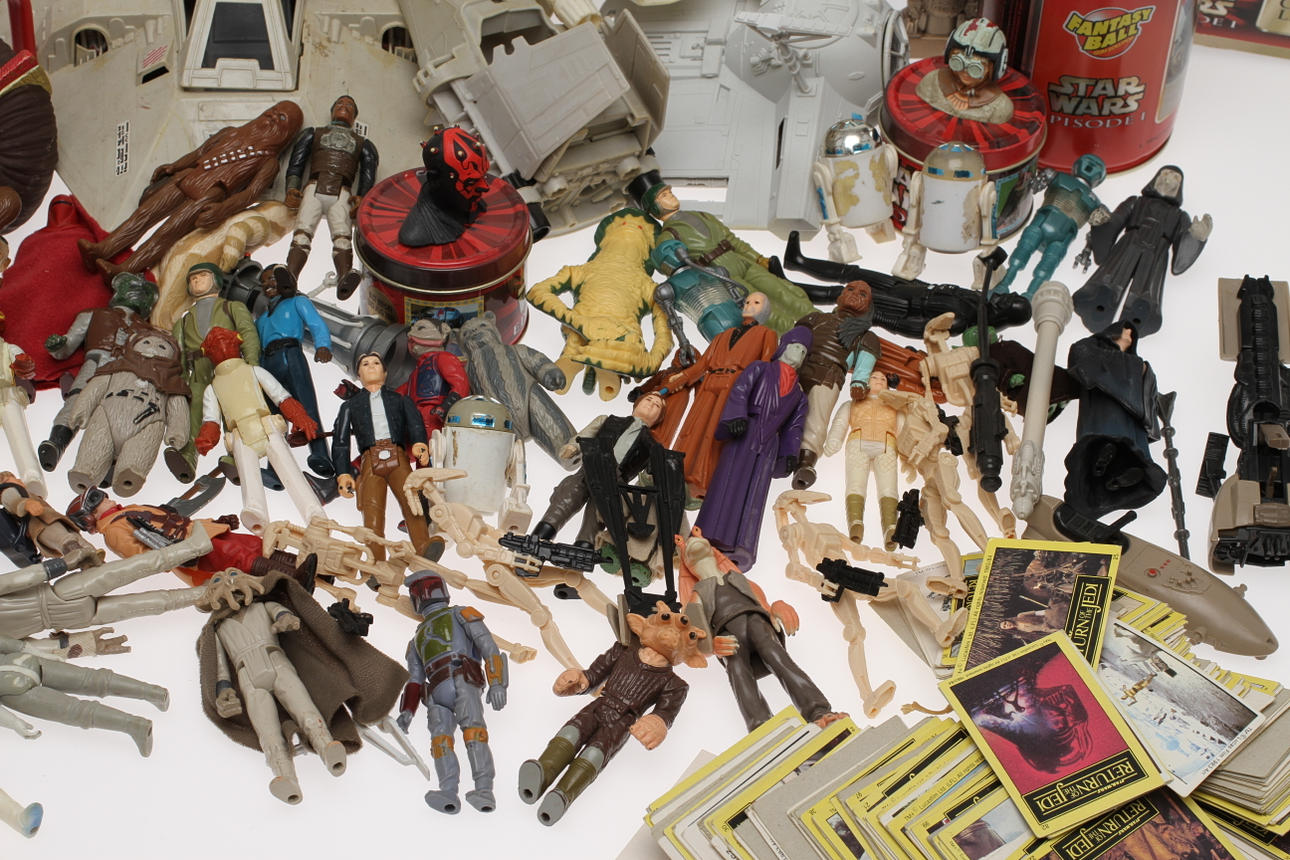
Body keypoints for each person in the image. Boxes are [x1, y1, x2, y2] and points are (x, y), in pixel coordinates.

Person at [694, 327, 812, 569]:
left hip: (770, 443)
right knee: (728, 481)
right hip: (746, 430)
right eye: (796, 347)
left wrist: (789, 453)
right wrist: (736, 416)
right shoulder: (760, 368)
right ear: (784, 347)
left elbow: (795, 427)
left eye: (803, 352)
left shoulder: (799, 395)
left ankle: (743, 546)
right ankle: (708, 535)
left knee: (756, 492)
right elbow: (740, 391)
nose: (798, 355)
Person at [660, 292, 776, 497]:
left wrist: (754, 403)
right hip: (710, 382)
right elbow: (702, 365)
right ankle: (677, 473)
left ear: (764, 310)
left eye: (756, 302)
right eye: (747, 301)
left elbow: (765, 368)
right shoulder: (723, 335)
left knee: (715, 433)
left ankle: (704, 481)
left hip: (736, 386)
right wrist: (676, 382)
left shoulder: (767, 334)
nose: (749, 305)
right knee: (694, 428)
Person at [330, 353, 430, 560]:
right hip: (369, 461)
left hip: (398, 457)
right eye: (365, 364)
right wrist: (343, 473)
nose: (371, 366)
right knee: (371, 513)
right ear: (358, 374)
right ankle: (375, 563)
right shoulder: (350, 406)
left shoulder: (400, 400)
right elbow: (341, 441)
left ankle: (425, 551)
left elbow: (415, 423)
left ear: (385, 373)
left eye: (376, 363)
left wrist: (420, 442)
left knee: (413, 503)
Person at [283, 95, 379, 300]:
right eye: (340, 104)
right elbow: (297, 162)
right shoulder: (313, 134)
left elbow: (368, 172)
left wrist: (362, 197)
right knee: (302, 232)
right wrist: (291, 188)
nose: (344, 107)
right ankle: (290, 275)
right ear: (332, 110)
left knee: (342, 235)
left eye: (350, 105)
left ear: (355, 116)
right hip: (313, 188)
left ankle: (345, 276)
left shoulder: (363, 144)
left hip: (342, 193)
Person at [172, 262, 260, 481]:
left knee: (236, 413)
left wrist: (251, 364)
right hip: (199, 371)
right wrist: (180, 381)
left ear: (216, 280)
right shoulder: (184, 320)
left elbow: (248, 332)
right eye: (192, 278)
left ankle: (238, 457)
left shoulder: (232, 307)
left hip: (231, 366)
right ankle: (188, 456)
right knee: (195, 412)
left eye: (203, 275)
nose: (196, 280)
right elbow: (179, 352)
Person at [254, 265, 334, 476]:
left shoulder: (298, 301)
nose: (267, 284)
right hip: (267, 363)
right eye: (263, 282)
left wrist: (323, 345)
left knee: (306, 405)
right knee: (274, 416)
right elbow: (256, 346)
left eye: (272, 278)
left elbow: (316, 324)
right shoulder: (261, 319)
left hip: (290, 355)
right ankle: (276, 468)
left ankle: (321, 455)